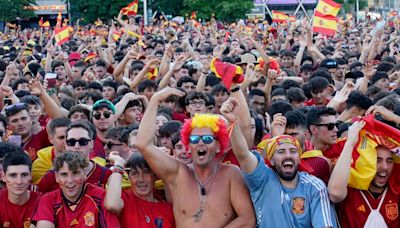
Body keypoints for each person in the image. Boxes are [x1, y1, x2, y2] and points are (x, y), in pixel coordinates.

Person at [136, 87, 255, 227]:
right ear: (188, 146)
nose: (200, 143)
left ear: (218, 146)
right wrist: (155, 99)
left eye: (206, 139)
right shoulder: (177, 173)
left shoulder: (231, 174)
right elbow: (143, 144)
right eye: (193, 140)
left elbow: (248, 219)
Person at [220, 97, 337, 227]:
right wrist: (233, 123)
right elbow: (242, 155)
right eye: (281, 152)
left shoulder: (314, 186)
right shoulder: (261, 179)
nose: (288, 155)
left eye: (293, 151)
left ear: (299, 157)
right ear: (271, 160)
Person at [328, 121, 400, 227]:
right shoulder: (351, 189)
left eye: (389, 161)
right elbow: (335, 194)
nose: (384, 166)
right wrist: (350, 143)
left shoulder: (396, 190)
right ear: (366, 162)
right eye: (377, 160)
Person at [32, 151, 119, 227]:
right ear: (56, 177)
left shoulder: (99, 196)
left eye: (75, 173)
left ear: (84, 174)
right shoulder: (48, 200)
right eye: (64, 174)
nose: (70, 180)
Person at [37, 121, 111, 192]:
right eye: (71, 142)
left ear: (92, 144)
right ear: (66, 145)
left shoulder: (105, 174)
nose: (77, 146)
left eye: (83, 141)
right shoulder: (51, 176)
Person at [104, 152, 175, 227]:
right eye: (134, 174)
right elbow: (112, 205)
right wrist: (119, 164)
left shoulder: (167, 208)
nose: (141, 179)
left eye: (146, 172)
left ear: (155, 175)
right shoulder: (124, 199)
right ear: (129, 177)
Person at [0, 151, 41, 227]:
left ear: (31, 176)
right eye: (13, 175)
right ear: (3, 177)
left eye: (24, 175)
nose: (19, 182)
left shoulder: (42, 201)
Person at [32, 117, 71, 184]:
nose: (66, 141)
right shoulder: (40, 164)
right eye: (61, 137)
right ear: (50, 139)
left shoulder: (86, 158)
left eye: (69, 137)